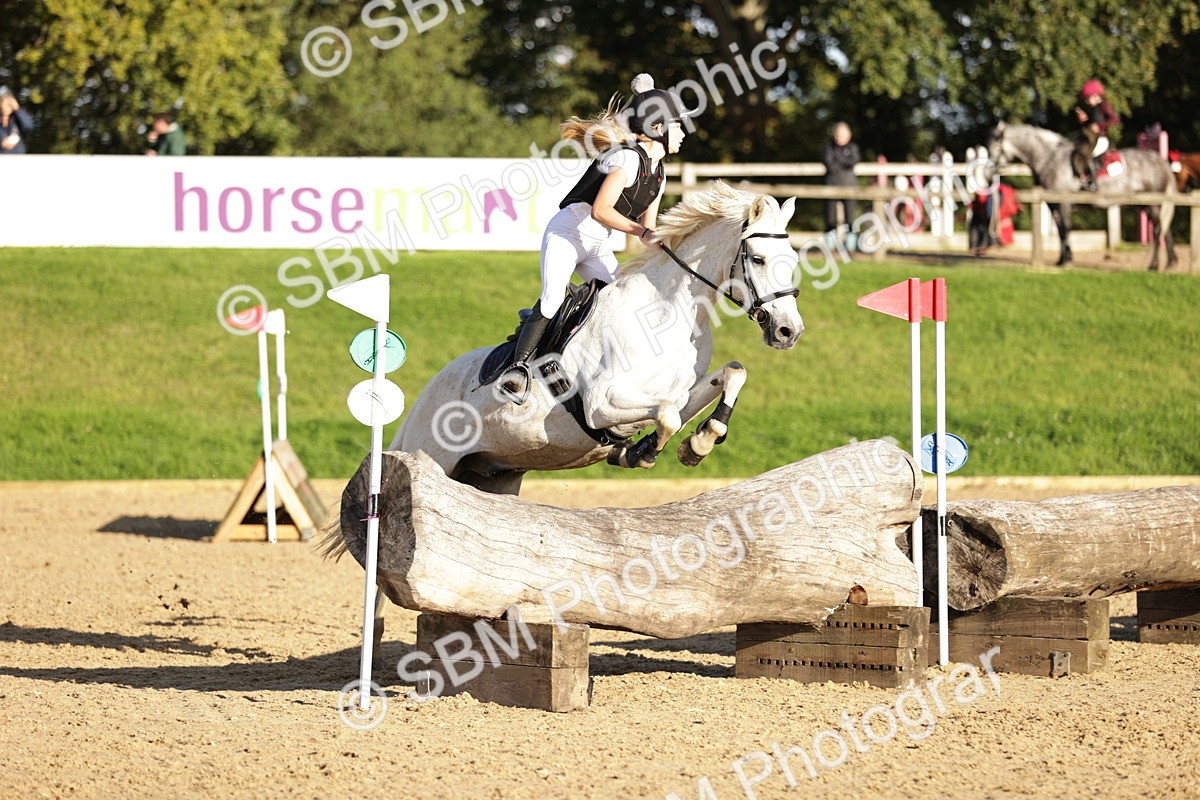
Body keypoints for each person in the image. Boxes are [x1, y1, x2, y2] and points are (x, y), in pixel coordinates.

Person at [499, 74, 690, 404]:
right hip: (568, 234)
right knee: (552, 297)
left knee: (617, 300)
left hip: (597, 244)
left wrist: (671, 245)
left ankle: (575, 358)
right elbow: (602, 210)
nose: (684, 133)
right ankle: (517, 368)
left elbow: (648, 228)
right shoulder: (627, 159)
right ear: (659, 128)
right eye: (678, 126)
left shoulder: (659, 174)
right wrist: (641, 232)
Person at [1072, 79, 1118, 190]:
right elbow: (1091, 125)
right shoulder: (1093, 109)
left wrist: (1099, 126)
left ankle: (1093, 184)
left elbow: (1114, 119)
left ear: (1095, 95)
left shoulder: (1104, 106)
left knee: (1088, 154)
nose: (1087, 101)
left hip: (1101, 139)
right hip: (1093, 138)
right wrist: (1085, 120)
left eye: (1088, 98)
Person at [821, 122, 861, 250]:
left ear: (848, 136)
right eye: (838, 135)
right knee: (829, 217)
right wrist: (844, 162)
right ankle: (829, 246)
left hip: (849, 186)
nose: (840, 138)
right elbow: (828, 163)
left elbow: (853, 161)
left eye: (842, 135)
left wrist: (838, 161)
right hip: (831, 186)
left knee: (850, 217)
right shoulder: (828, 147)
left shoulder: (853, 147)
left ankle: (850, 247)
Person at [0, 87, 34, 155]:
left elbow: (29, 126)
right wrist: (1, 141)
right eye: (4, 103)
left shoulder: (17, 120)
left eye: (9, 105)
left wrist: (17, 108)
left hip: (17, 157)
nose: (5, 107)